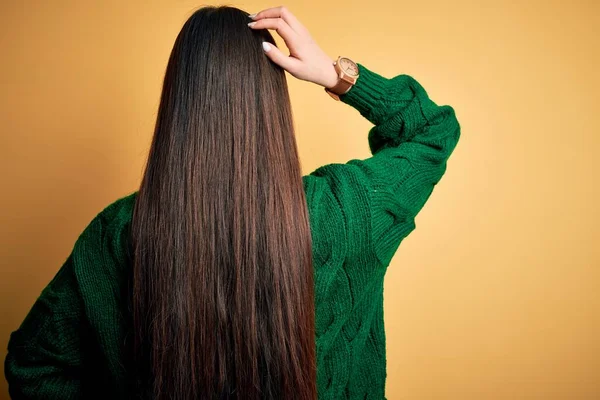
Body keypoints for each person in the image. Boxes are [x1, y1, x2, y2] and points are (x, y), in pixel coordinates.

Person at [4, 5, 461, 400]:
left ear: (177, 102)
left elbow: (35, 367)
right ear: (272, 99)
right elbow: (431, 130)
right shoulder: (341, 214)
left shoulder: (120, 233)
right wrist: (333, 73)